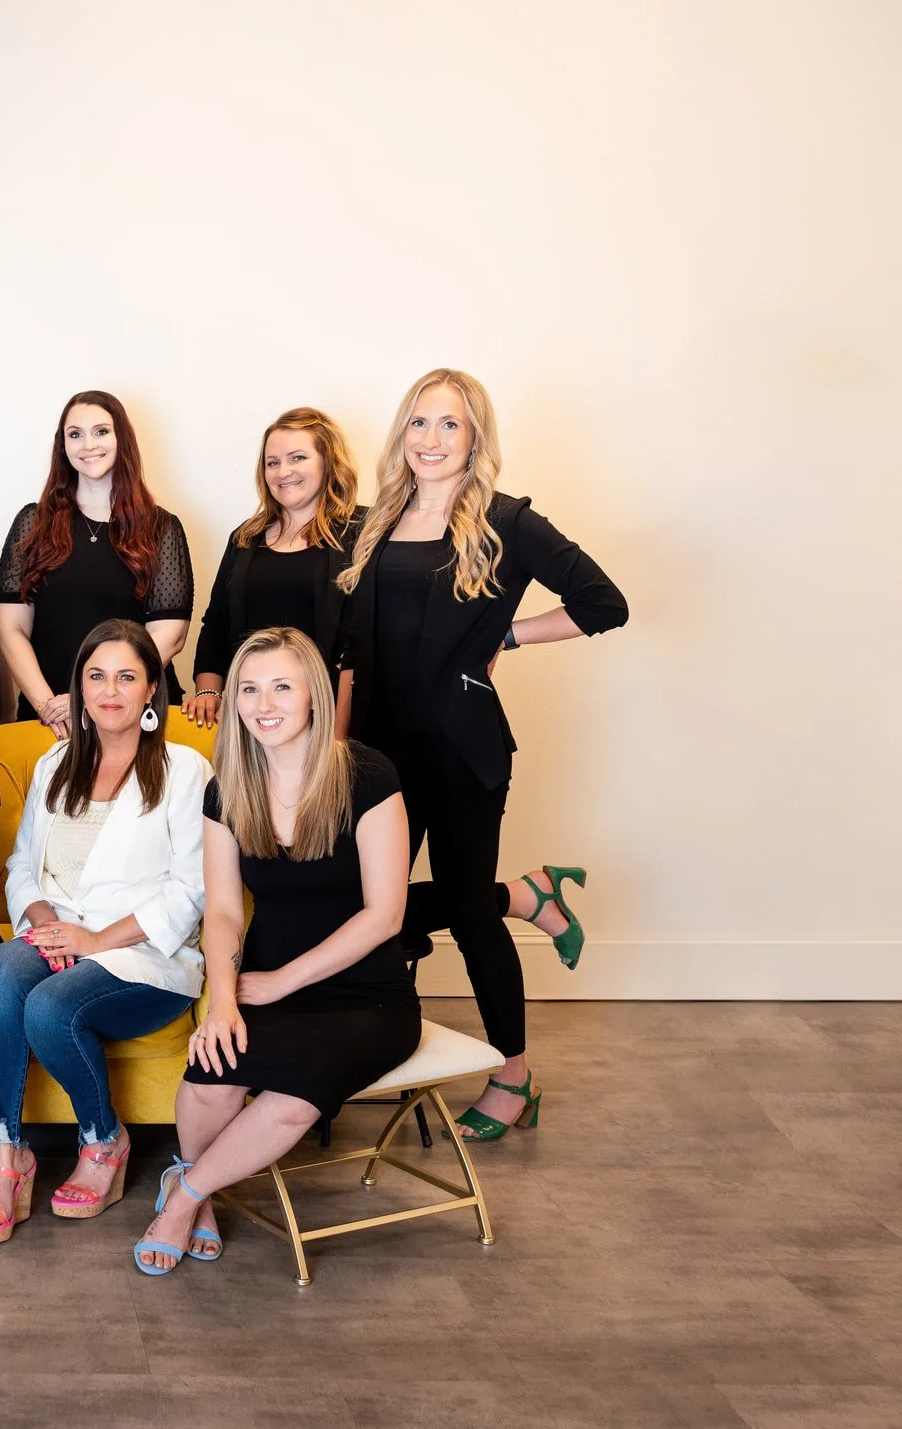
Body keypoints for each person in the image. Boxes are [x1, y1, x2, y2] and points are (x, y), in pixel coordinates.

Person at [337, 368, 628, 1141]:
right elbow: (349, 654)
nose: (431, 440)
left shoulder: (505, 521)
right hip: (376, 755)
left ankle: (514, 1074)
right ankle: (525, 895)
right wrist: (335, 745)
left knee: (467, 918)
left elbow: (607, 604)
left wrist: (509, 634)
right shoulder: (375, 520)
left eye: (450, 426)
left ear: (475, 440)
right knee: (370, 910)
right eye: (419, 424)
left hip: (461, 751)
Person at [133, 627, 414, 1275]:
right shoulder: (225, 790)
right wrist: (224, 998)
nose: (265, 702)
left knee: (290, 1095)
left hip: (365, 996)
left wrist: (277, 983)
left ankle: (184, 1198)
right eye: (250, 688)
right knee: (210, 1069)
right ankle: (197, 1191)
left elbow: (385, 914)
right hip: (260, 981)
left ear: (313, 694)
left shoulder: (368, 775)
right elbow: (226, 911)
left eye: (282, 686)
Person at [0, 620, 208, 1245]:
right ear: (78, 686)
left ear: (153, 689)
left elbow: (191, 891)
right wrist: (45, 922)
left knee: (49, 1009)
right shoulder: (55, 763)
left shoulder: (186, 771)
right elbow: (22, 864)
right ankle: (6, 1158)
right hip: (61, 936)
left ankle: (104, 1142)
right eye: (96, 676)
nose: (110, 691)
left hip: (143, 957)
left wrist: (94, 943)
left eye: (127, 677)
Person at [0, 391, 194, 737]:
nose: (88, 444)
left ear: (122, 440)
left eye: (101, 431)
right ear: (63, 446)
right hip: (52, 719)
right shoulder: (33, 522)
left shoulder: (161, 528)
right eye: (75, 434)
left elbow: (170, 635)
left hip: (131, 714)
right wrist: (49, 707)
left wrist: (95, 701)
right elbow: (11, 629)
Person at [184, 408, 365, 729]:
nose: (283, 472)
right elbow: (215, 624)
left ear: (327, 461)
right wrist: (209, 691)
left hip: (329, 718)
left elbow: (361, 646)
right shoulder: (246, 537)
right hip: (252, 714)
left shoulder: (362, 531)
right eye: (273, 462)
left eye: (297, 458)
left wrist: (336, 737)